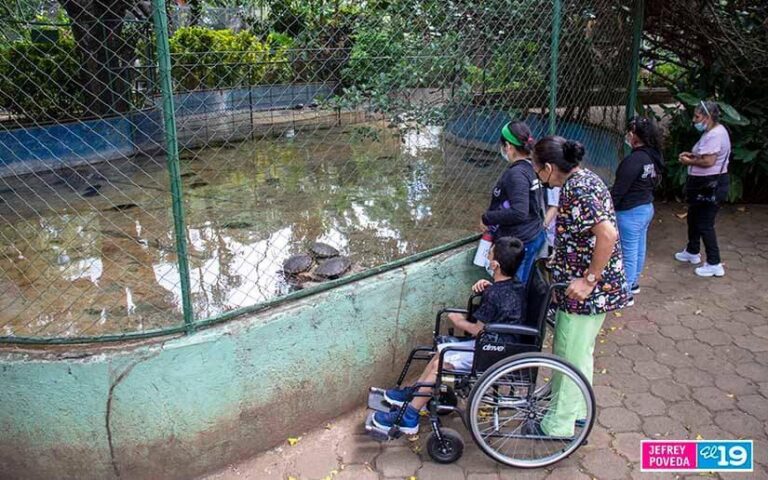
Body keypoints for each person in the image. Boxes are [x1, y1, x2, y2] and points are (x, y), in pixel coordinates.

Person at [371, 236, 526, 434]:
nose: (487, 255)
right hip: (501, 344)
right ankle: (417, 391)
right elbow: (502, 305)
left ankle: (410, 416)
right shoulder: (514, 286)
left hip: (492, 351)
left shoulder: (494, 294)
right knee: (442, 350)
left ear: (495, 264)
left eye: (490, 253)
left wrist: (459, 321)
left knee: (441, 364)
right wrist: (489, 285)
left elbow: (480, 329)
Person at [529, 136, 629, 437]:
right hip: (589, 286)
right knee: (580, 351)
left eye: (537, 169)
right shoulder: (582, 178)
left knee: (568, 355)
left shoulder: (579, 189)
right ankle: (580, 410)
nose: (536, 175)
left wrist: (588, 280)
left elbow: (608, 234)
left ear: (548, 168)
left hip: (586, 293)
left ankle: (558, 425)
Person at [481, 121, 546, 283]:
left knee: (514, 289)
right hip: (532, 233)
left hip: (521, 241)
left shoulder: (516, 174)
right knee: (521, 284)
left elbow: (519, 212)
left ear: (508, 146)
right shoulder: (532, 166)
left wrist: (488, 218)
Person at [675, 100, 731, 277]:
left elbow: (709, 161)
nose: (694, 120)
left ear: (708, 117)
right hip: (702, 184)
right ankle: (692, 251)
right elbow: (706, 154)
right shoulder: (713, 132)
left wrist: (688, 161)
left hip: (710, 184)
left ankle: (714, 262)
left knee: (705, 223)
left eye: (697, 116)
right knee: (694, 217)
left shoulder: (715, 135)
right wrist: (692, 155)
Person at [611, 116, 664, 298]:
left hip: (630, 212)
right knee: (638, 248)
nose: (627, 136)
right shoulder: (652, 156)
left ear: (635, 136)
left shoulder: (634, 160)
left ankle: (625, 293)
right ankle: (632, 284)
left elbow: (619, 190)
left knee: (628, 252)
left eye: (630, 133)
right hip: (645, 208)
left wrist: (608, 208)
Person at [544, 187, 561, 256]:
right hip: (549, 233)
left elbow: (554, 207)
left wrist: (540, 228)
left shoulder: (552, 184)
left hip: (549, 235)